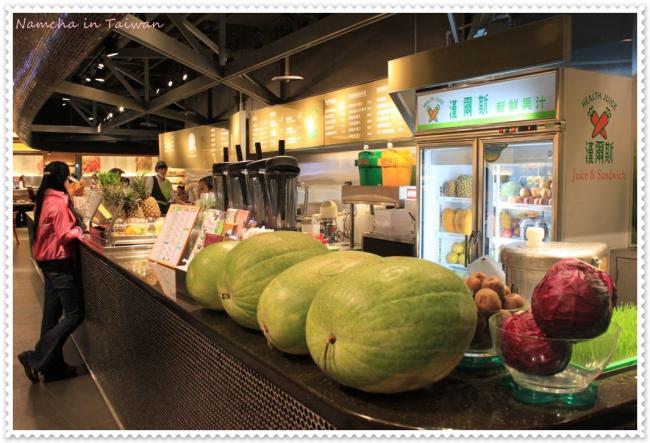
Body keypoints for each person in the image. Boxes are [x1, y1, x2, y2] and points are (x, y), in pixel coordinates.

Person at [18, 161, 86, 383]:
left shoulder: (44, 197)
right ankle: (34, 358)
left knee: (51, 316)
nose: (68, 183)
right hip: (59, 262)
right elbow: (64, 235)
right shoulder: (57, 202)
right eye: (67, 179)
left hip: (47, 261)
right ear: (61, 179)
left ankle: (52, 368)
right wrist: (80, 229)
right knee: (74, 315)